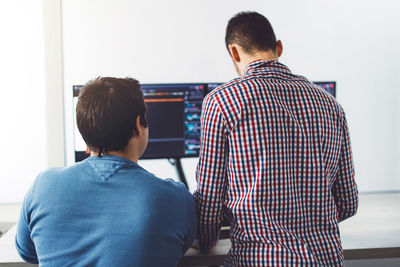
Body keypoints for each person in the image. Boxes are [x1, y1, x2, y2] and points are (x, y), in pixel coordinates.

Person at [194, 11, 358, 266]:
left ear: (234, 53)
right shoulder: (330, 104)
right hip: (327, 259)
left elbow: (209, 202)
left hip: (260, 260)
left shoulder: (222, 102)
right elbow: (348, 203)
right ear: (279, 47)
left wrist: (204, 240)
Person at [15, 77, 196, 266]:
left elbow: (27, 252)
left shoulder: (42, 187)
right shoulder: (176, 198)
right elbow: (182, 245)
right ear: (137, 126)